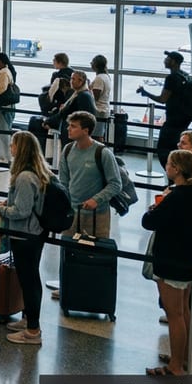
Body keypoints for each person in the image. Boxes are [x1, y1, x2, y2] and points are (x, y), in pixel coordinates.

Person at [143, 149, 192, 376]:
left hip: (171, 259)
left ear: (177, 169)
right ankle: (184, 357)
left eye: (170, 163)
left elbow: (149, 222)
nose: (167, 166)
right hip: (189, 258)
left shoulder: (176, 197)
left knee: (175, 314)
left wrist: (156, 207)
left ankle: (176, 366)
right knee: (185, 310)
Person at [0, 131, 50, 345]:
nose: (11, 148)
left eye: (13, 145)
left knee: (29, 280)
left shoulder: (24, 177)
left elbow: (21, 211)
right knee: (30, 278)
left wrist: (0, 209)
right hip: (34, 232)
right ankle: (28, 320)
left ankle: (33, 330)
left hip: (25, 235)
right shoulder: (37, 173)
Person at [53, 111, 122, 300]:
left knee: (95, 253)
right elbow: (64, 181)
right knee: (68, 251)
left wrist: (97, 199)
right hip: (72, 212)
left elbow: (115, 184)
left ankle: (94, 291)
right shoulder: (67, 150)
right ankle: (67, 285)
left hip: (97, 214)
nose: (68, 129)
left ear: (86, 130)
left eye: (73, 126)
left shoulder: (102, 153)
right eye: (69, 125)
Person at [138, 51, 192, 170]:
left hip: (173, 122)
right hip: (184, 120)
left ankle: (173, 176)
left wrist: (145, 92)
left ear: (173, 61)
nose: (165, 60)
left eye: (167, 58)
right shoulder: (185, 75)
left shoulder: (171, 78)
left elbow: (163, 99)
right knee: (177, 151)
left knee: (164, 151)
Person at [90, 55, 113, 139]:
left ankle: (99, 151)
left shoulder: (99, 78)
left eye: (92, 63)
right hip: (104, 109)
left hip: (98, 111)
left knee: (97, 136)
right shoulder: (106, 76)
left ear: (96, 65)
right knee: (99, 135)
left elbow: (95, 97)